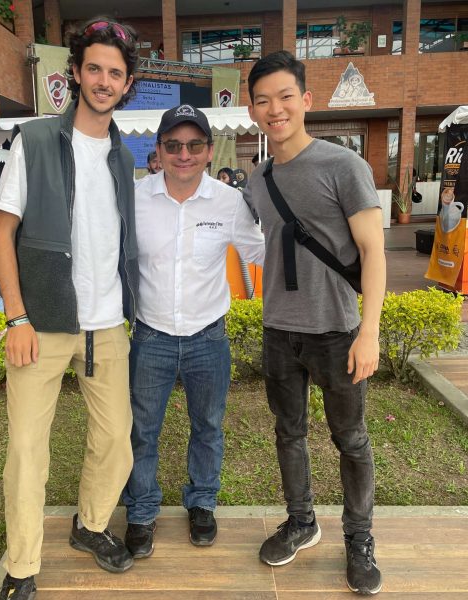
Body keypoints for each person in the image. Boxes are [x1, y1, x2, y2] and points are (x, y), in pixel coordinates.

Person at [0, 17, 140, 600]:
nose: (104, 81)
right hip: (42, 326)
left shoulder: (125, 159)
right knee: (28, 449)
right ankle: (23, 566)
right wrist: (16, 317)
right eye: (95, 68)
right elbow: (3, 233)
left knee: (116, 440)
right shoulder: (34, 142)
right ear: (75, 73)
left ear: (127, 85)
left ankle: (91, 524)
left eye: (116, 73)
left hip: (107, 325)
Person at [244, 51, 386, 595]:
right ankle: (302, 522)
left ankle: (360, 538)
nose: (274, 109)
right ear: (254, 110)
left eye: (285, 97)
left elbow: (373, 252)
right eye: (263, 100)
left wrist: (368, 331)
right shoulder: (258, 179)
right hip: (280, 329)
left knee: (350, 439)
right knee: (289, 433)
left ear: (305, 101)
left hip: (336, 331)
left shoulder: (343, 166)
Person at [122, 104, 265, 559]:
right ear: (159, 152)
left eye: (194, 145)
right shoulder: (133, 197)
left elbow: (262, 253)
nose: (184, 154)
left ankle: (202, 502)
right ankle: (142, 511)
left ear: (208, 152)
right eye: (174, 145)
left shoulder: (229, 202)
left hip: (209, 337)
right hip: (151, 337)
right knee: (141, 430)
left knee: (208, 426)